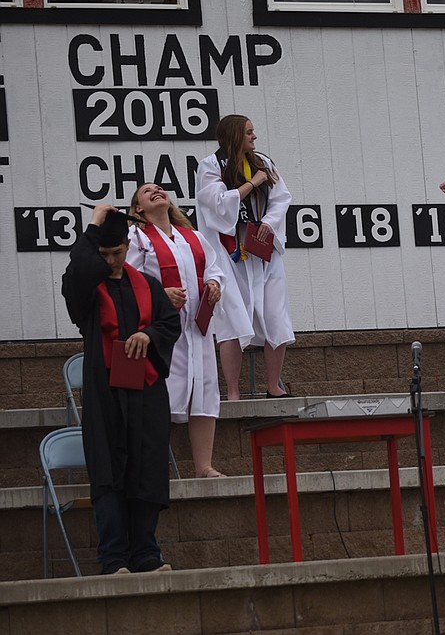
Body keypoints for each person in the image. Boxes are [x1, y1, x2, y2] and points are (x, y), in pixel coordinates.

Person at [61, 204, 181, 573]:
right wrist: (95, 221)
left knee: (146, 468)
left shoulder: (148, 285)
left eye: (117, 252)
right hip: (105, 395)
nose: (111, 260)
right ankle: (113, 558)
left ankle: (146, 552)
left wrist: (148, 334)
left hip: (145, 393)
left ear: (128, 246)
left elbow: (170, 323)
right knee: (110, 472)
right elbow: (77, 271)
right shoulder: (86, 292)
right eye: (104, 253)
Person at [128, 183, 228, 478]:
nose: (156, 191)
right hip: (163, 333)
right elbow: (130, 280)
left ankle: (204, 466)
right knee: (162, 398)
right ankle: (154, 470)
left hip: (197, 329)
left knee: (205, 393)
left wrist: (214, 285)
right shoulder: (136, 238)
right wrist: (160, 294)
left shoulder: (193, 237)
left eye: (159, 188)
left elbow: (214, 268)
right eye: (147, 192)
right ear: (138, 209)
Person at [195, 115, 294, 399]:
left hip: (263, 250)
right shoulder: (211, 166)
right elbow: (216, 203)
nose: (254, 137)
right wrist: (253, 183)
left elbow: (281, 198)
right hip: (229, 254)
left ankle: (274, 385)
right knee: (232, 320)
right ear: (235, 135)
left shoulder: (262, 162)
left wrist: (270, 223)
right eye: (249, 132)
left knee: (276, 316)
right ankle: (234, 391)